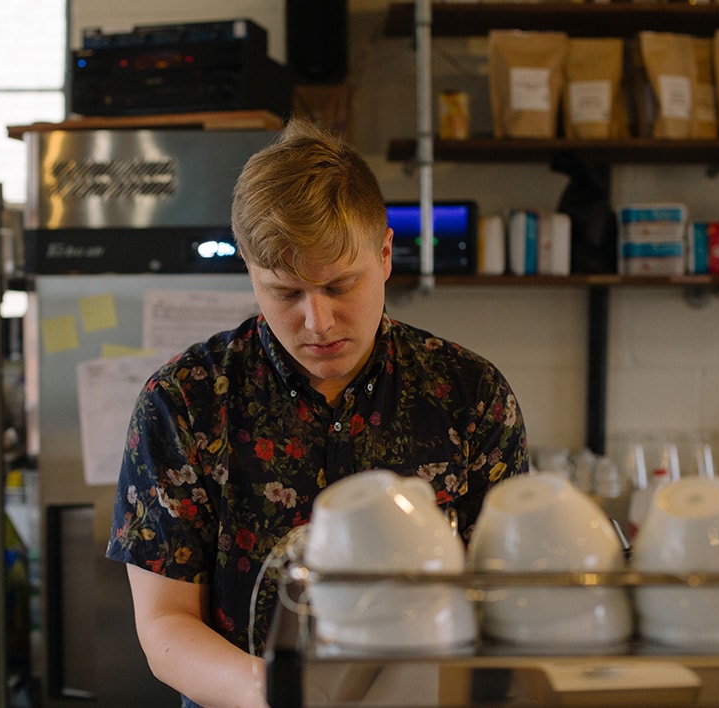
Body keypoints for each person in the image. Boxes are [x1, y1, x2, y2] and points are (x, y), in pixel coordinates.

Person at [107, 118, 529, 708]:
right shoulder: (183, 403)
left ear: (385, 254)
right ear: (250, 272)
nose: (318, 322)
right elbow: (165, 623)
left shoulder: (470, 396)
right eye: (285, 293)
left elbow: (506, 600)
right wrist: (281, 695)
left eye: (340, 286)